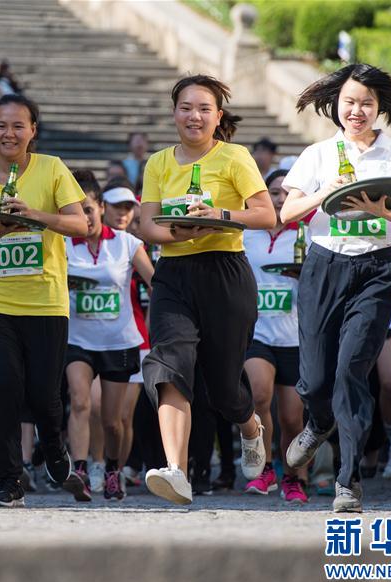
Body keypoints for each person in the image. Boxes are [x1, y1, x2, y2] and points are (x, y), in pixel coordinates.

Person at [279, 63, 391, 513]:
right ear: (336, 105)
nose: (357, 110)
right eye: (349, 102)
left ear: (380, 107)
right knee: (317, 379)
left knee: (350, 374)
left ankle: (348, 480)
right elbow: (288, 214)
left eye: (366, 103)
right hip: (324, 265)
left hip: (377, 270)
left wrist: (379, 206)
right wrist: (325, 193)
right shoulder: (319, 154)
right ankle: (318, 420)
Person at [137, 74, 276, 506]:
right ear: (173, 112)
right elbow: (146, 225)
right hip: (174, 274)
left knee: (222, 388)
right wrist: (182, 234)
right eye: (185, 107)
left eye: (203, 109)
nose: (193, 116)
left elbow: (266, 214)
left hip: (225, 274)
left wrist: (218, 214)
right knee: (169, 364)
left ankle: (250, 424)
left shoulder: (234, 157)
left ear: (218, 116)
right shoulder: (158, 163)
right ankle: (176, 471)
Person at [0, 94, 87, 508]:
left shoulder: (51, 169)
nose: (8, 133)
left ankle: (54, 448)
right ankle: (10, 479)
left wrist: (33, 217)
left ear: (33, 130)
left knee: (45, 395)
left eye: (18, 126)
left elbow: (80, 224)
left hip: (46, 300)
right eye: (0, 125)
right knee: (4, 386)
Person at [64, 170, 153, 501]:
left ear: (100, 207)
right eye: (73, 212)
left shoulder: (128, 243)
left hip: (120, 341)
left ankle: (114, 468)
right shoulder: (61, 244)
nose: (82, 218)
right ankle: (82, 470)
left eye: (87, 209)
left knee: (114, 421)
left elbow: (153, 282)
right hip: (78, 339)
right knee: (80, 401)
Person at [241, 169, 310, 504]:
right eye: (274, 192)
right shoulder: (247, 235)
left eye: (287, 193)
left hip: (296, 336)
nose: (280, 198)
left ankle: (293, 478)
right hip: (258, 333)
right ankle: (266, 468)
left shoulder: (307, 235)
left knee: (292, 417)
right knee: (258, 395)